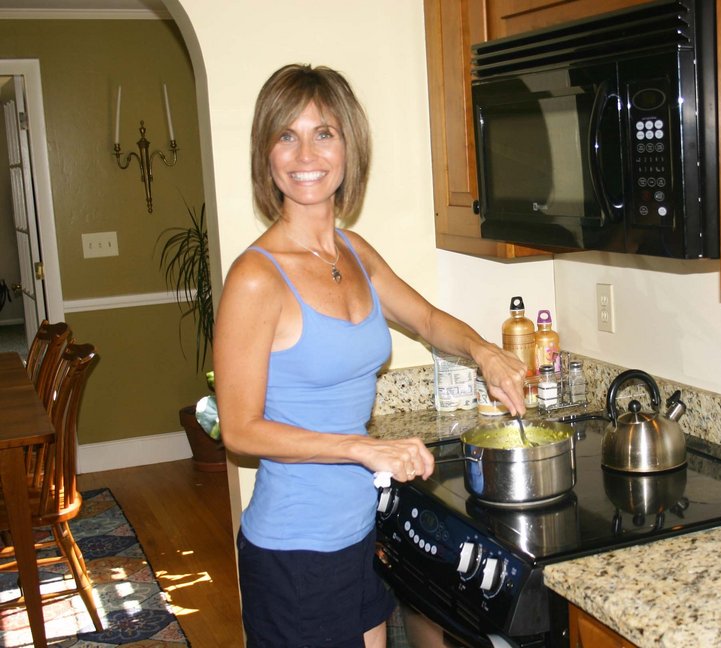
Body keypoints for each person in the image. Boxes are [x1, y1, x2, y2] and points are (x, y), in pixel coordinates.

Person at [213, 63, 528, 648]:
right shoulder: (257, 277)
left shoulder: (353, 252)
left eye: (324, 133)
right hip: (296, 551)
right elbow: (240, 429)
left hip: (361, 529)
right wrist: (364, 447)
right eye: (287, 134)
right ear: (267, 154)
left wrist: (485, 352)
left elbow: (428, 321)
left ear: (349, 147)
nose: (305, 152)